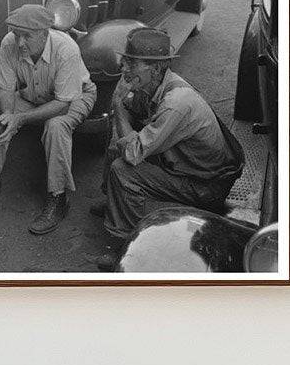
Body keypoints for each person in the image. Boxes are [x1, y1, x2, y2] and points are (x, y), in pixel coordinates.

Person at [93, 27, 246, 270]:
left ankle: (127, 244)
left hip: (206, 185)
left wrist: (118, 108)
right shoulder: (154, 84)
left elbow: (133, 154)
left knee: (123, 170)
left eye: (132, 64)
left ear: (155, 68)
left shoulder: (176, 102)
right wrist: (126, 108)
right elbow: (138, 115)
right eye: (125, 62)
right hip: (187, 167)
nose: (124, 69)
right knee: (116, 149)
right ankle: (115, 202)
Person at [0, 3, 96, 235]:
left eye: (26, 36)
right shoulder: (10, 42)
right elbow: (6, 89)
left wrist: (20, 119)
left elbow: (62, 105)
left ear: (45, 33)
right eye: (17, 35)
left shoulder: (66, 49)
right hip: (34, 95)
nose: (20, 42)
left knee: (56, 126)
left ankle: (58, 197)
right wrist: (9, 116)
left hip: (74, 96)